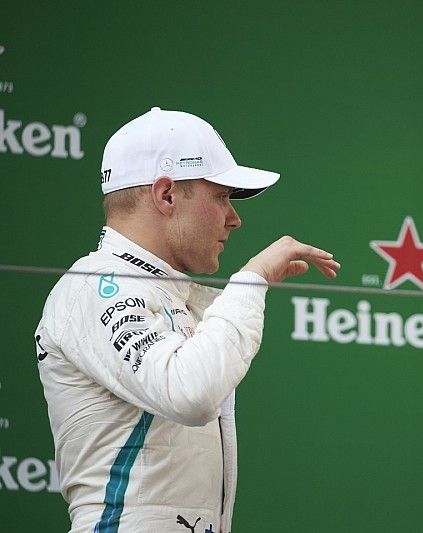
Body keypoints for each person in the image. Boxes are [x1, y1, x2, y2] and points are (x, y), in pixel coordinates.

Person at [35, 107, 340, 532]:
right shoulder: (95, 286)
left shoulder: (157, 291)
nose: (235, 218)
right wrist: (252, 279)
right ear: (166, 195)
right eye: (221, 196)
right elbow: (189, 392)